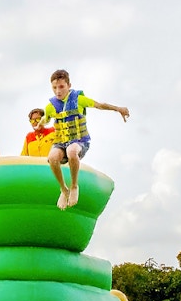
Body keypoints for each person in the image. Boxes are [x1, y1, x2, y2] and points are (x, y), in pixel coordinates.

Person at [38, 69, 129, 209]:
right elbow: (46, 119)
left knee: (72, 151)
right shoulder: (51, 107)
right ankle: (63, 189)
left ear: (69, 85)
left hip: (79, 141)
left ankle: (74, 186)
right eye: (54, 88)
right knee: (52, 157)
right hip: (61, 142)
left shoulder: (78, 99)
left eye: (61, 87)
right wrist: (40, 123)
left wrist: (118, 109)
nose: (58, 91)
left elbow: (99, 105)